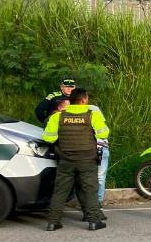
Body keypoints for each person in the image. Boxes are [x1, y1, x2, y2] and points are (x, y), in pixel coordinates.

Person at [42, 88, 110, 231]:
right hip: (87, 160)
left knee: (60, 191)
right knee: (90, 190)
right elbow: (104, 133)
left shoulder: (58, 117)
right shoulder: (93, 115)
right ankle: (93, 221)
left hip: (65, 160)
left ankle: (53, 223)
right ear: (84, 100)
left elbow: (48, 138)